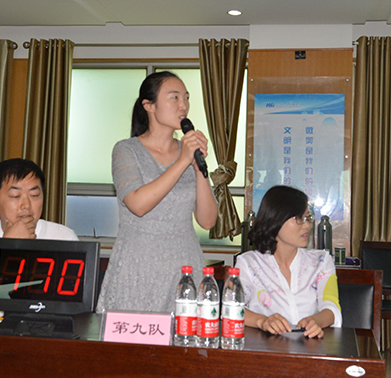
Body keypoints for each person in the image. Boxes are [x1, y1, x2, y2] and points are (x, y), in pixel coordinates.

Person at [96, 71, 218, 313]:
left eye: (186, 97)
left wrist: (198, 168)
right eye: (174, 97)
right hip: (138, 267)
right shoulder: (126, 150)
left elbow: (208, 221)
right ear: (149, 105)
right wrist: (182, 161)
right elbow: (138, 204)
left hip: (184, 266)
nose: (183, 105)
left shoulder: (187, 151)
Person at [0, 158, 78, 308]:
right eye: (15, 196)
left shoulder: (64, 237)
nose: (26, 205)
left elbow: (72, 303)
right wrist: (8, 245)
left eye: (34, 195)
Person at [235, 185, 342, 338]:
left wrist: (315, 321)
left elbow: (331, 306)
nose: (307, 225)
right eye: (299, 219)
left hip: (310, 345)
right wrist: (262, 321)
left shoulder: (322, 261)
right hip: (264, 347)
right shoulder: (248, 263)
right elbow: (232, 308)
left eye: (308, 218)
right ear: (276, 220)